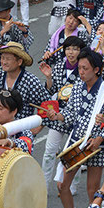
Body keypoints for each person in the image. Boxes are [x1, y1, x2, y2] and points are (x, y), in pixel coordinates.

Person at [47, 48, 104, 208]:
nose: (81, 72)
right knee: (62, 184)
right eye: (79, 68)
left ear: (97, 69)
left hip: (94, 144)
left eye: (85, 68)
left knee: (92, 189)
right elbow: (70, 115)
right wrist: (59, 116)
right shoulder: (78, 87)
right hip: (76, 141)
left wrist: (101, 138)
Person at [39, 35, 86, 185]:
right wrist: (48, 78)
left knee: (74, 153)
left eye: (75, 49)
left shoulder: (85, 68)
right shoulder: (58, 67)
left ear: (81, 51)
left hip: (77, 115)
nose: (71, 52)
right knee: (49, 152)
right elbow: (52, 90)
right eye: (68, 49)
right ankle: (44, 185)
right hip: (58, 114)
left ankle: (72, 185)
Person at [0, 42, 50, 122]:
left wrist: (35, 128)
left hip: (22, 129)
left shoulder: (31, 81)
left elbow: (48, 105)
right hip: (1, 130)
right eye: (2, 58)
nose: (4, 62)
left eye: (8, 59)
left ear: (19, 62)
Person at [0, 0, 33, 77]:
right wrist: (3, 31)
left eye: (0, 12)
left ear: (8, 11)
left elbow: (23, 45)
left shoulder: (16, 23)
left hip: (13, 63)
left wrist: (24, 31)